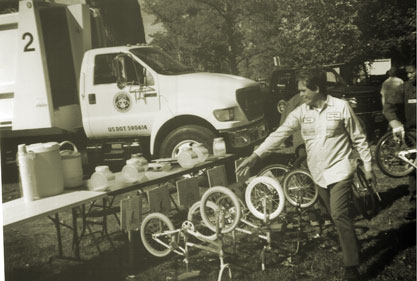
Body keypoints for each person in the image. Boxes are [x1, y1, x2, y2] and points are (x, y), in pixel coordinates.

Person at [236, 68, 375, 281]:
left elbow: (358, 137)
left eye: (303, 90)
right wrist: (255, 156)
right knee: (337, 217)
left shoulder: (341, 107)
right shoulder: (301, 112)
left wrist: (368, 165)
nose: (300, 95)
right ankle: (353, 245)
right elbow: (279, 135)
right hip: (318, 173)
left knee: (338, 213)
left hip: (341, 169)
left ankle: (352, 267)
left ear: (317, 88)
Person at [383, 64, 416, 205]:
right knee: (414, 168)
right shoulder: (405, 88)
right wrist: (395, 122)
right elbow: (388, 107)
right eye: (407, 73)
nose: (408, 76)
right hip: (414, 134)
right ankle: (415, 199)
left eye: (412, 72)